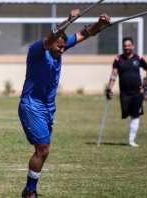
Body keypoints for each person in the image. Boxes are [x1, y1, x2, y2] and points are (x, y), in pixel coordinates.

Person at [18, 10, 110, 197]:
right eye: (59, 47)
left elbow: (84, 33)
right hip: (31, 106)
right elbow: (49, 36)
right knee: (43, 150)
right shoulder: (36, 51)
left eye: (63, 47)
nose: (62, 50)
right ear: (51, 43)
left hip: (48, 107)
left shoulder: (59, 46)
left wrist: (100, 23)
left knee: (44, 150)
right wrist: (68, 20)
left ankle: (30, 189)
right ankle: (29, 192)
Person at [106, 37, 147, 147]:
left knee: (135, 115)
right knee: (126, 114)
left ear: (133, 46)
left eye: (128, 45)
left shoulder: (138, 58)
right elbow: (114, 75)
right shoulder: (118, 59)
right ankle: (130, 139)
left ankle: (131, 140)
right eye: (125, 46)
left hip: (137, 93)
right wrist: (109, 89)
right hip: (124, 93)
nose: (127, 48)